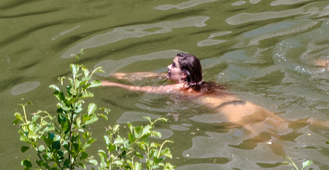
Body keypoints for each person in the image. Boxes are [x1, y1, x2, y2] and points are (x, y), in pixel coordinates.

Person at [102, 52, 298, 134]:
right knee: (287, 125)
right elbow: (152, 76)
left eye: (173, 65)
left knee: (267, 142)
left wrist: (111, 84)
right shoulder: (200, 83)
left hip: (231, 113)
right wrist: (126, 74)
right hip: (243, 104)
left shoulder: (180, 88)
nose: (168, 67)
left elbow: (143, 89)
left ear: (184, 74)